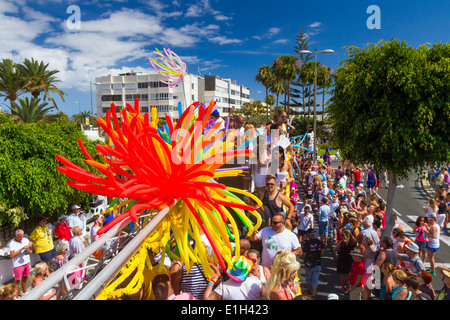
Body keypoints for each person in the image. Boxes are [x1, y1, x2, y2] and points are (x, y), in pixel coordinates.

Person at [9, 229, 32, 299]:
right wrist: (21, 249)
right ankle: (15, 297)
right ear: (16, 236)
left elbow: (31, 251)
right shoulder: (12, 243)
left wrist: (32, 245)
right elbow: (12, 256)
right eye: (20, 237)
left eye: (22, 236)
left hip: (27, 262)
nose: (21, 238)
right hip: (18, 265)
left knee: (25, 278)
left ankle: (24, 292)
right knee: (17, 281)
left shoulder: (25, 240)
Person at [302, 228, 324, 298]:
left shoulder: (307, 243)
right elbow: (322, 253)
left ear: (309, 235)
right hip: (317, 263)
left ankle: (309, 291)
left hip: (309, 263)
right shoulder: (320, 242)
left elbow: (304, 254)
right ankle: (314, 293)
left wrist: (304, 257)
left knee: (308, 278)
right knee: (315, 279)